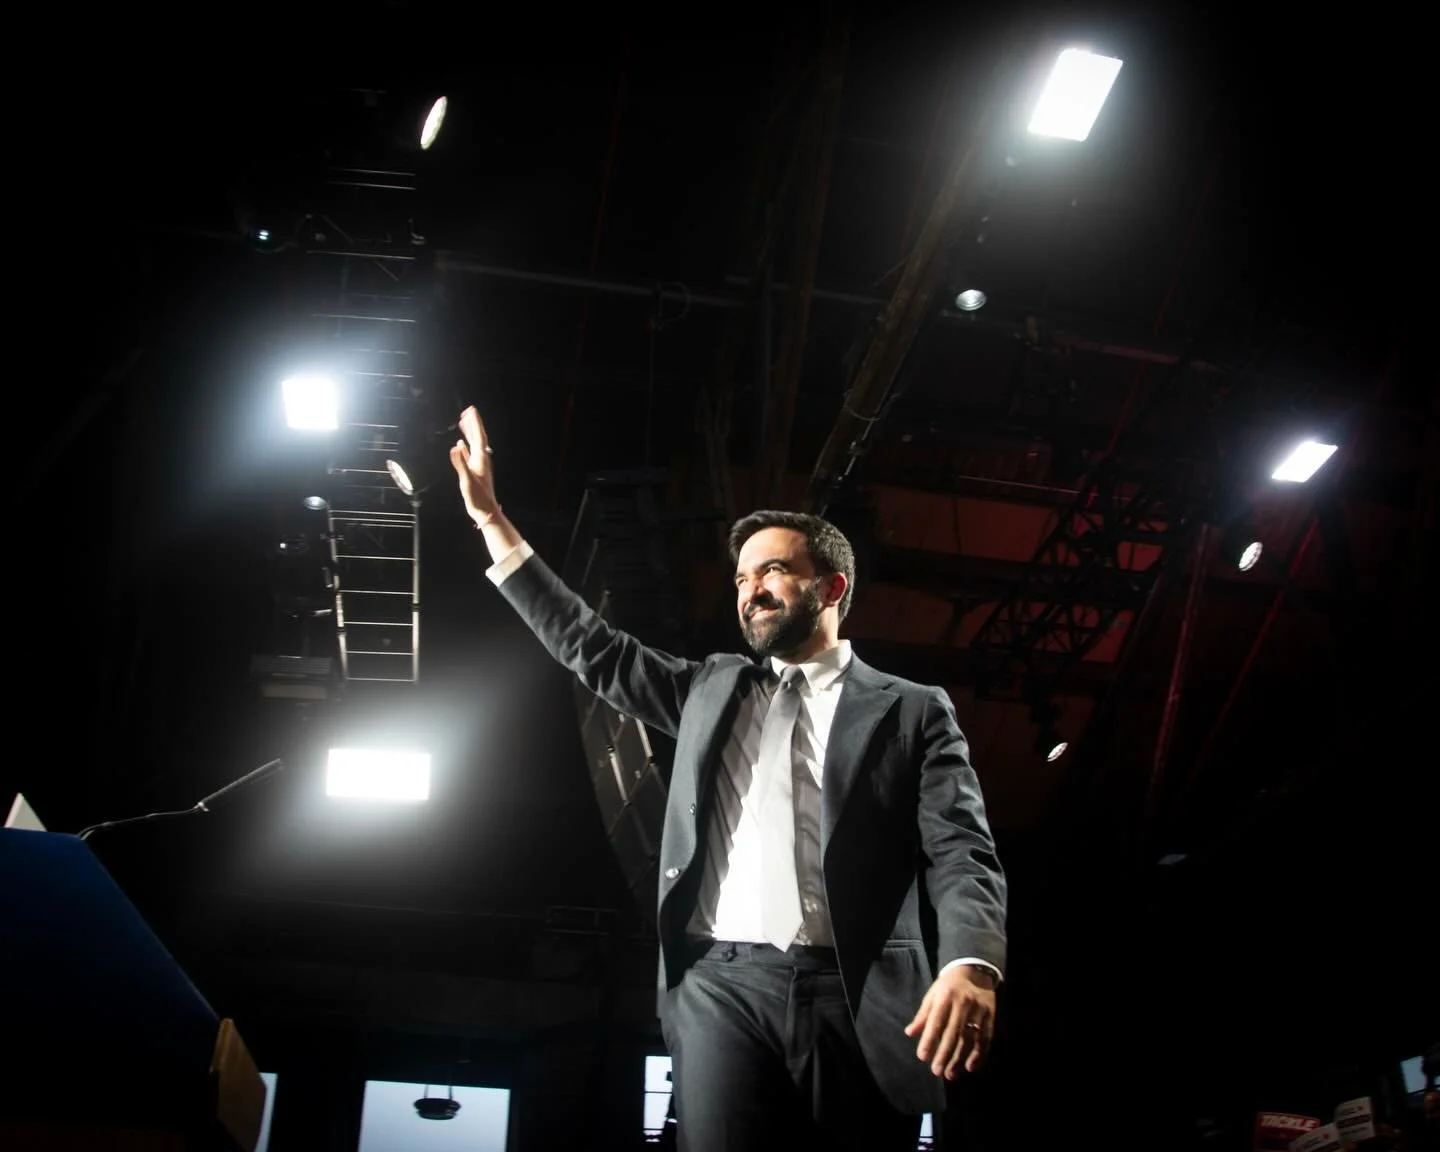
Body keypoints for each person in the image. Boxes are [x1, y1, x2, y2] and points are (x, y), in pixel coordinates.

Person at [450, 406, 1007, 1151]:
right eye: (743, 577)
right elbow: (591, 646)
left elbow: (961, 849)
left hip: (853, 990)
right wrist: (492, 522)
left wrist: (973, 962)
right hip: (720, 984)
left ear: (833, 587)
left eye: (774, 569)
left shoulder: (910, 710)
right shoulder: (711, 688)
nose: (752, 589)